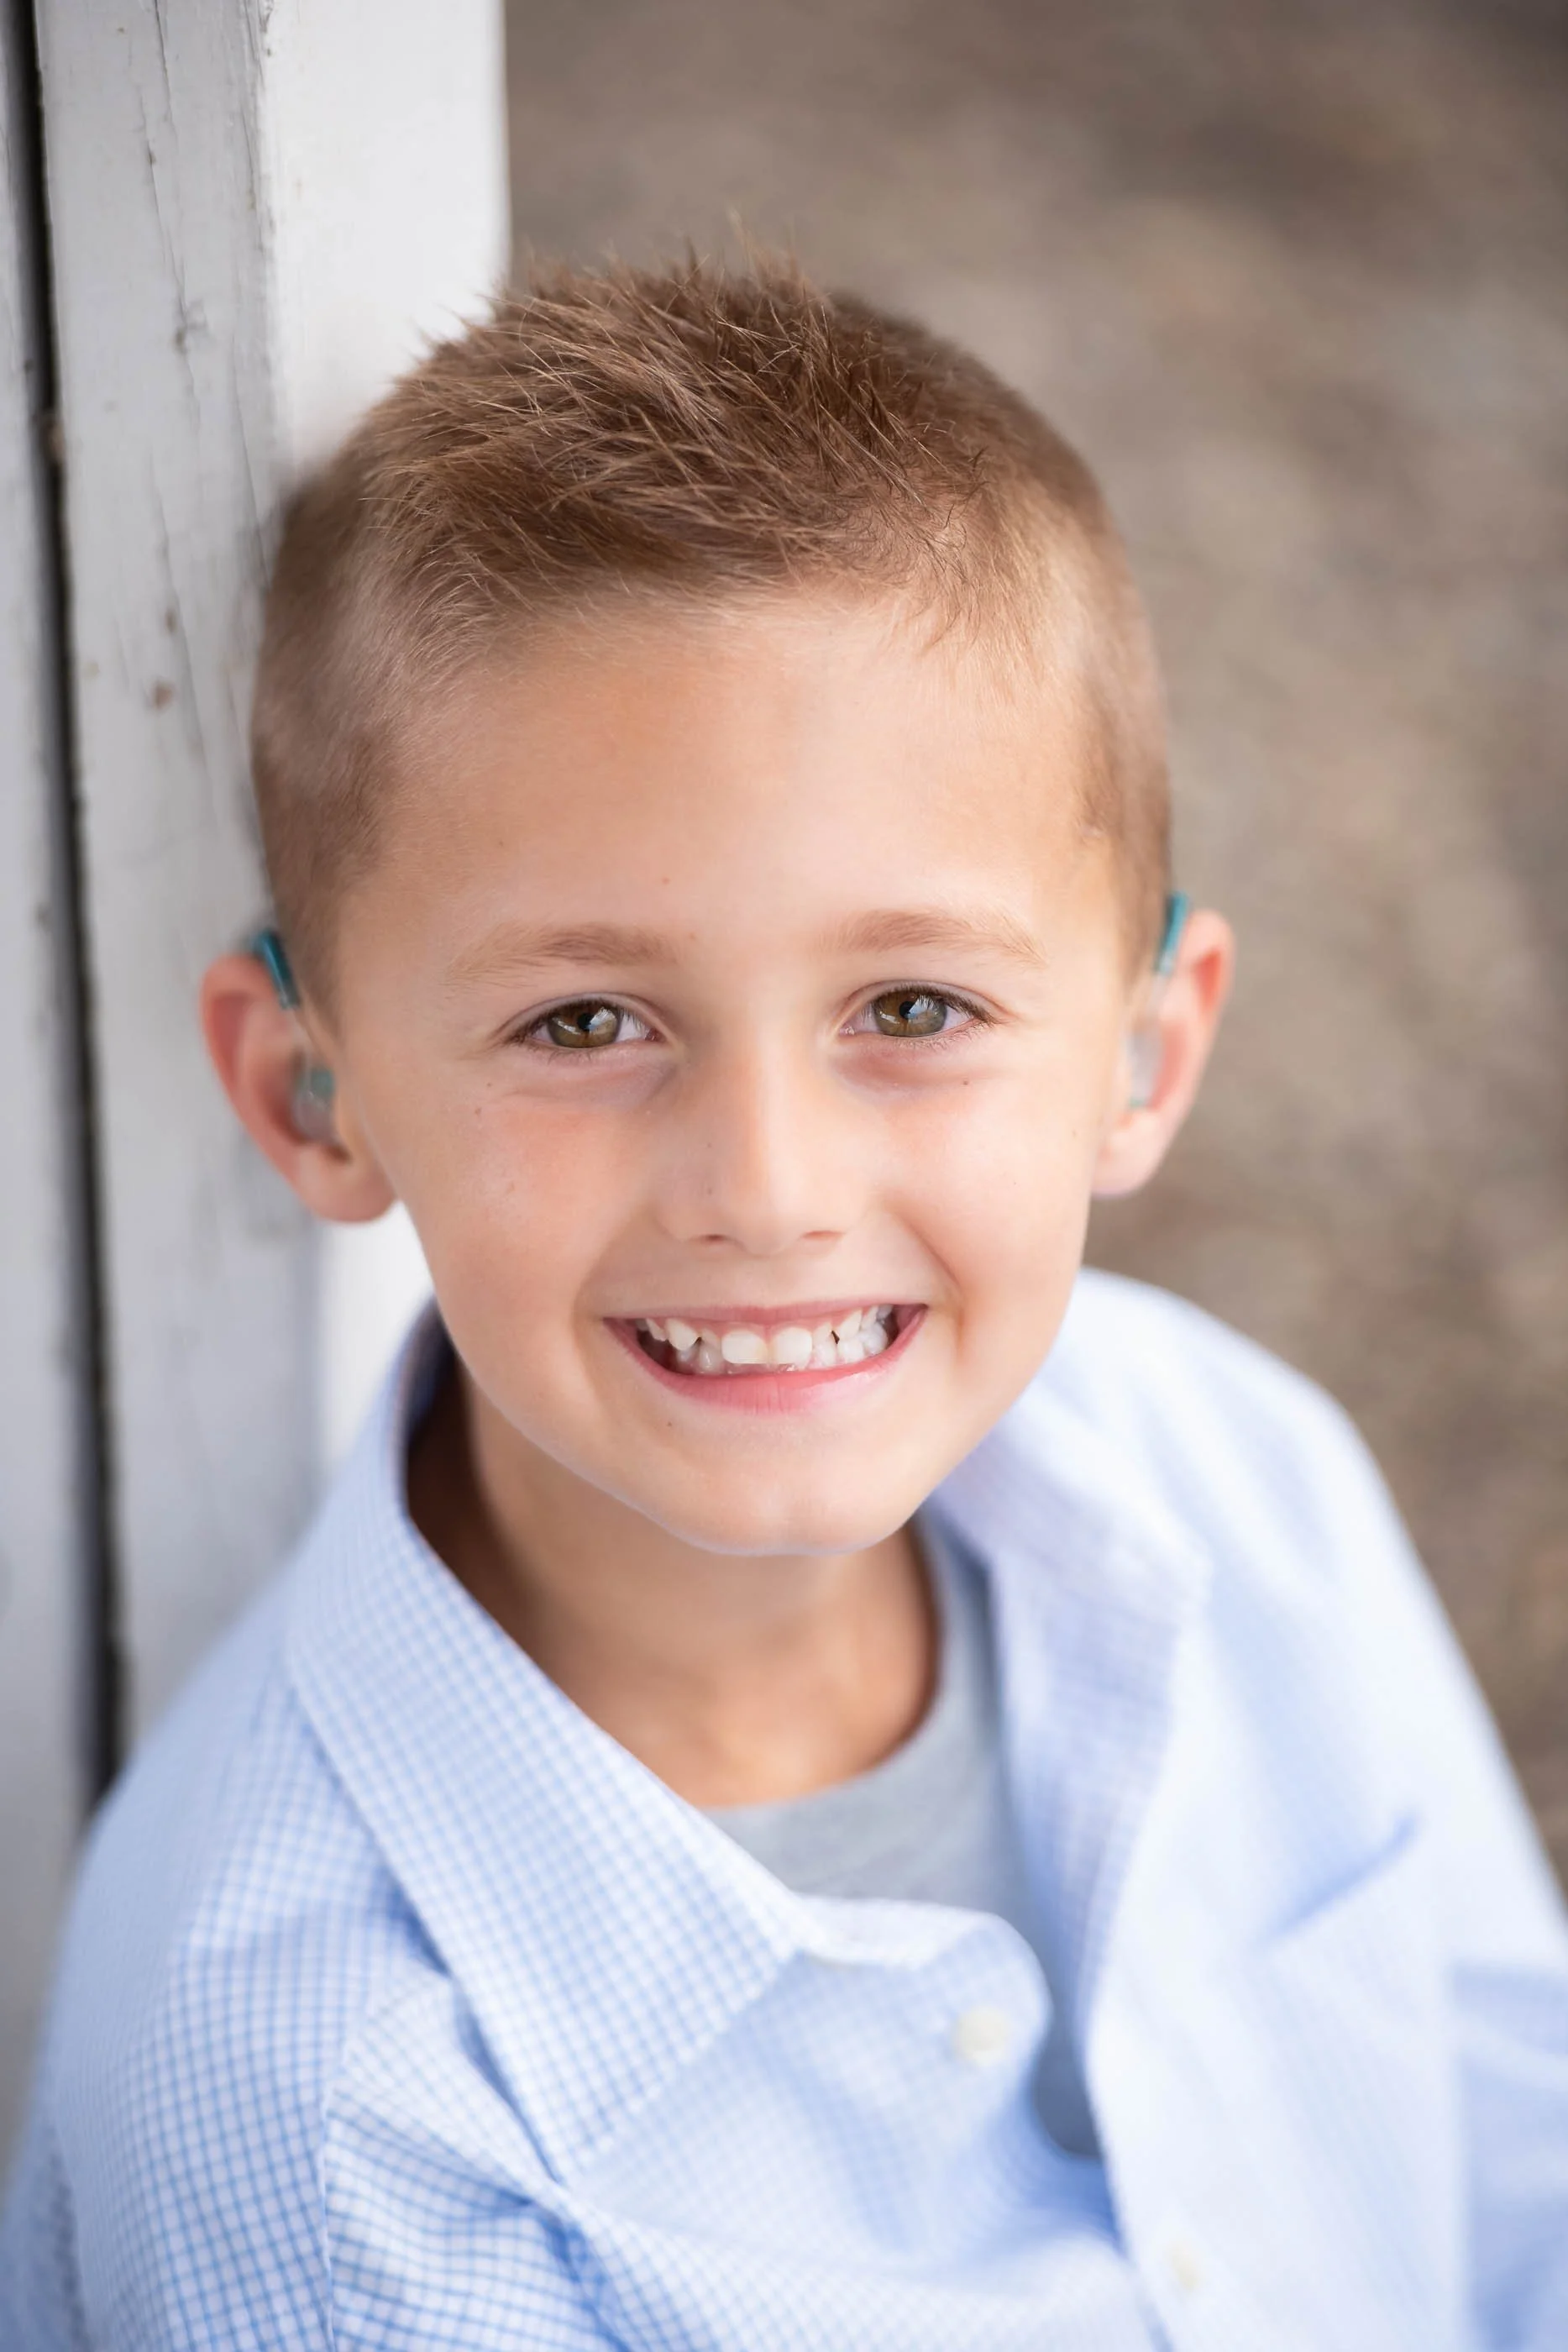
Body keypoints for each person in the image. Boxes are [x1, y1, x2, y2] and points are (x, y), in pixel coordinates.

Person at [3, 257, 1565, 2352]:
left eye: (911, 1005)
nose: (767, 1187)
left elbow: (1515, 2159)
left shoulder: (1239, 1470)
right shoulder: (317, 2116)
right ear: (316, 1092)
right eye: (585, 1019)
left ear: (1143, 1053)